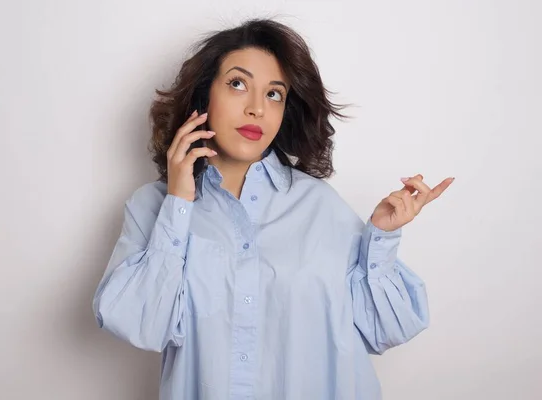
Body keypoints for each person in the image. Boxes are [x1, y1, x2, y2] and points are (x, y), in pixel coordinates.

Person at [92, 18, 454, 400]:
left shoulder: (321, 207)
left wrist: (380, 239)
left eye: (274, 94)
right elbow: (140, 324)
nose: (256, 109)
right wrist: (179, 201)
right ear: (203, 97)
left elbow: (386, 329)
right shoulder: (152, 207)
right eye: (237, 84)